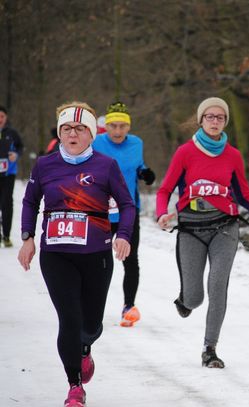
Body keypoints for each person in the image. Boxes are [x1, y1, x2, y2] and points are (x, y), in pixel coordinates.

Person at [17, 101, 135, 407]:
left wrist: (122, 235)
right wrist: (28, 237)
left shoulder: (105, 165)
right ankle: (75, 386)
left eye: (80, 128)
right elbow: (30, 202)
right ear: (60, 132)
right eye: (67, 128)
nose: (72, 134)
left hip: (96, 254)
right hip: (56, 254)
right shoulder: (45, 165)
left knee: (91, 325)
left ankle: (85, 348)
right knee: (69, 319)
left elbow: (127, 204)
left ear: (92, 134)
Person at [156, 97, 249, 368]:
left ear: (225, 122)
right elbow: (165, 189)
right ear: (201, 120)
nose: (214, 121)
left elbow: (244, 194)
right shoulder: (185, 152)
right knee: (196, 297)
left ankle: (209, 349)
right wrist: (162, 212)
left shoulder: (233, 155)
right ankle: (186, 299)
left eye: (220, 117)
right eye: (209, 117)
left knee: (218, 285)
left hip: (225, 226)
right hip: (191, 229)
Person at [93, 101, 156, 327]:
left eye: (122, 126)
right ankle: (91, 308)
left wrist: (145, 172)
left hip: (128, 211)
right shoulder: (95, 143)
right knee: (98, 261)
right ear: (106, 127)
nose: (118, 131)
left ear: (129, 127)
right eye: (113, 126)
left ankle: (129, 307)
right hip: (98, 212)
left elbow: (138, 165)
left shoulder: (136, 144)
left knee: (130, 260)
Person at [0, 105, 24, 247]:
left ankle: (6, 236)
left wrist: (16, 154)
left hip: (8, 174)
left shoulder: (12, 133)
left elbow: (20, 147)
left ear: (6, 118)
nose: (0, 119)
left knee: (7, 203)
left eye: (2, 116)